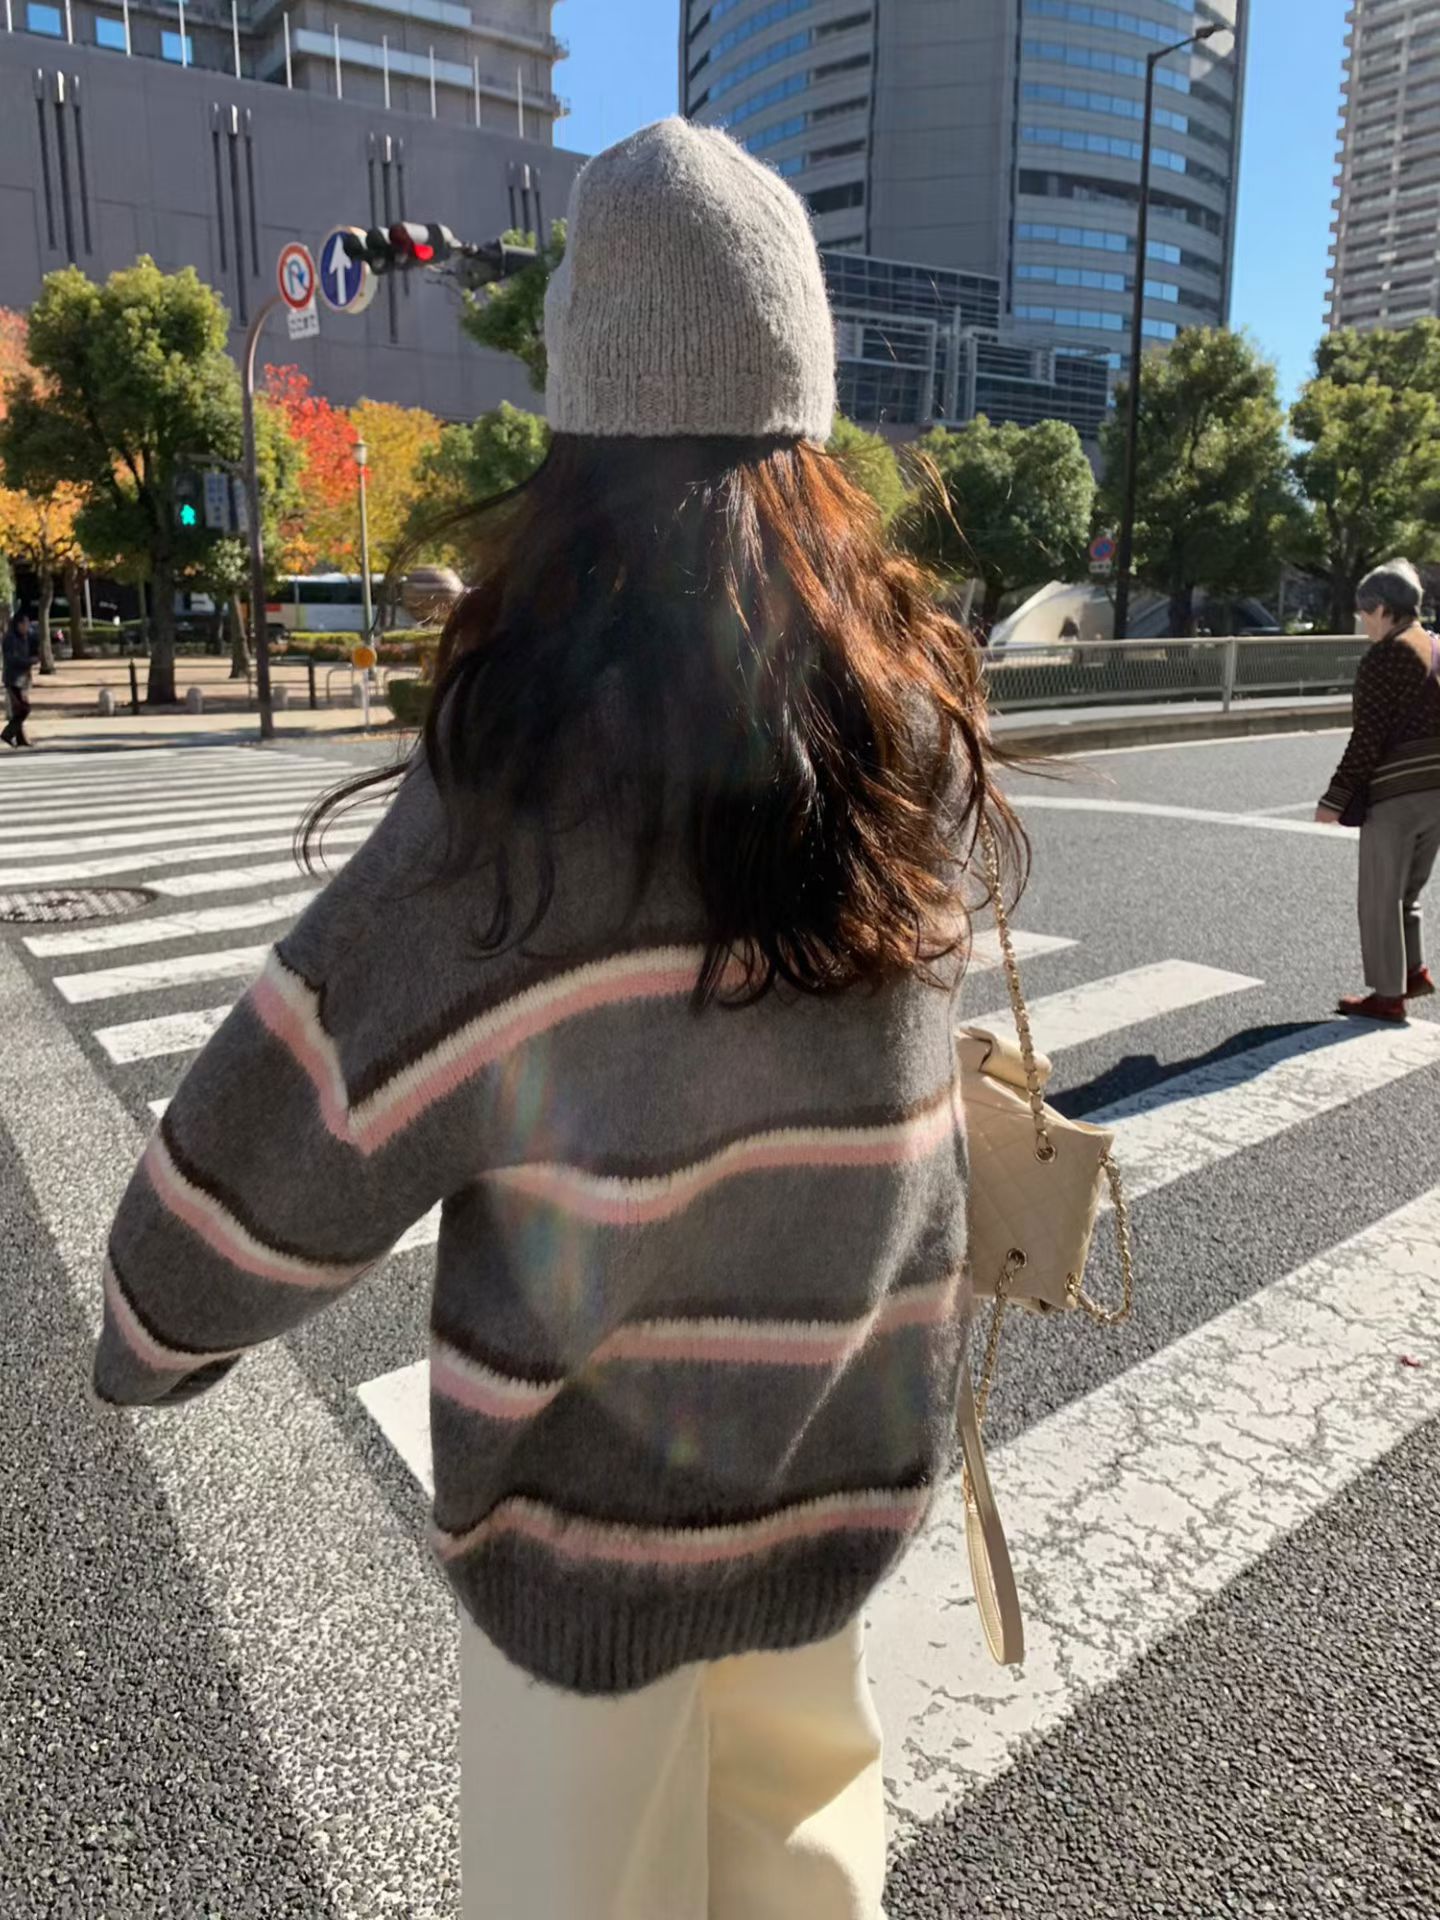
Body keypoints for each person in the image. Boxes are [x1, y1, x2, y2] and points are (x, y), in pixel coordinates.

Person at [91, 120, 1023, 1919]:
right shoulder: (904, 732)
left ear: (584, 421)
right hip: (836, 1474)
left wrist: (155, 1327)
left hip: (586, 1541)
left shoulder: (530, 792)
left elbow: (310, 1106)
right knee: (809, 1854)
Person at [1316, 557, 1440, 1021]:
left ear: (1384, 609)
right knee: (1409, 889)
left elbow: (1366, 738)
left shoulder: (1384, 657)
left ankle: (1388, 996)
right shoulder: (1435, 645)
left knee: (1380, 895)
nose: (1363, 621)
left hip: (1398, 793)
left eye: (1365, 612)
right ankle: (1412, 970)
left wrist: (1335, 799)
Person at [1, 609, 35, 748]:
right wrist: (29, 662)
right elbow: (12, 659)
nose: (27, 627)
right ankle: (7, 733)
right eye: (25, 624)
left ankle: (21, 739)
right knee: (24, 709)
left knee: (19, 710)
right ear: (18, 624)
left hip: (23, 679)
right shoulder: (10, 639)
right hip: (13, 679)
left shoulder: (24, 637)